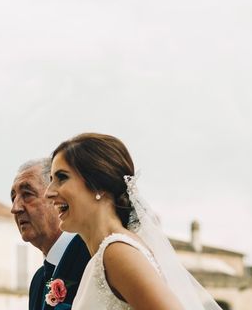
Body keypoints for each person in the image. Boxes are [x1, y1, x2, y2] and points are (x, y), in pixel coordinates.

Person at [45, 133, 222, 310]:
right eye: (51, 180)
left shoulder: (117, 253)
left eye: (62, 177)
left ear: (98, 184)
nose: (48, 192)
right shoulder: (105, 256)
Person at [11, 158, 90, 310]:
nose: (15, 208)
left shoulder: (91, 255)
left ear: (58, 198)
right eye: (13, 197)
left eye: (27, 194)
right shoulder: (38, 280)